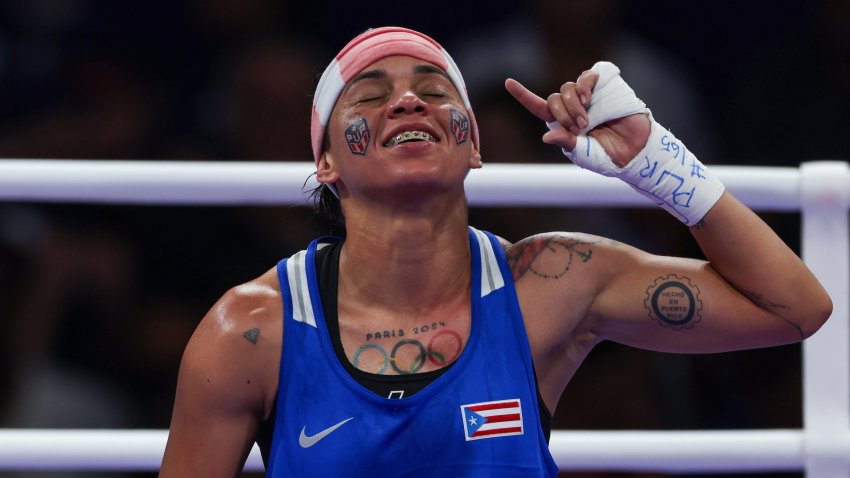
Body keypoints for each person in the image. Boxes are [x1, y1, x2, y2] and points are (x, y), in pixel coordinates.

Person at [159, 27, 832, 477]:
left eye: (433, 90)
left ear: (473, 144)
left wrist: (657, 163)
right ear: (327, 160)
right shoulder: (250, 332)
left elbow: (794, 307)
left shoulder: (552, 282)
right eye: (372, 95)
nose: (408, 102)